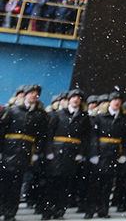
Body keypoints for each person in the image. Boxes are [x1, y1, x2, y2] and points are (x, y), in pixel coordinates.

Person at [0, 84, 47, 221]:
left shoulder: (39, 115)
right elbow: (2, 131)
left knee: (16, 184)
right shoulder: (11, 111)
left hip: (24, 153)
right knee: (3, 183)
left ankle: (10, 213)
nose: (33, 95)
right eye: (31, 93)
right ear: (25, 95)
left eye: (36, 94)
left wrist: (36, 151)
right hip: (8, 151)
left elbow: (41, 136)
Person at [41, 88, 90, 220]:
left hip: (72, 153)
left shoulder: (84, 117)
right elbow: (49, 134)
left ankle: (59, 211)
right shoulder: (58, 115)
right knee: (52, 182)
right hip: (57, 152)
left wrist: (81, 153)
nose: (76, 100)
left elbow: (85, 138)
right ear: (68, 100)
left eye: (79, 98)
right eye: (74, 97)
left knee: (65, 183)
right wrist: (49, 151)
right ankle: (47, 211)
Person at [85, 92, 126, 219]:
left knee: (108, 183)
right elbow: (94, 137)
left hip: (114, 154)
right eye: (114, 99)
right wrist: (94, 153)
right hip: (101, 153)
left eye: (119, 100)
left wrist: (124, 154)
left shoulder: (124, 119)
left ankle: (103, 210)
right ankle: (90, 210)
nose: (117, 102)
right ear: (109, 102)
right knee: (94, 183)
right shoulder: (100, 117)